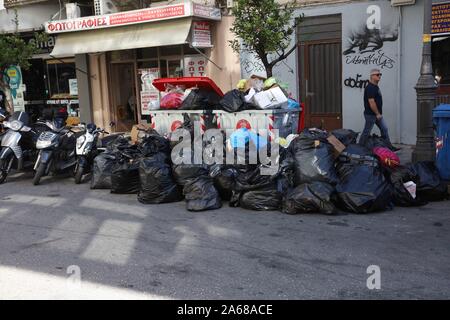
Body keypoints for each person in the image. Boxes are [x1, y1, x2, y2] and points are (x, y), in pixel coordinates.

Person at [358, 69, 400, 151]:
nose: (379, 76)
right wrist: (377, 114)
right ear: (372, 76)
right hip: (371, 114)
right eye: (377, 75)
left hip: (376, 114)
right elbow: (371, 102)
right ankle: (359, 147)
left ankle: (389, 147)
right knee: (367, 131)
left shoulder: (375, 86)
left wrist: (378, 114)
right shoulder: (370, 87)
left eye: (380, 74)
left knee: (384, 129)